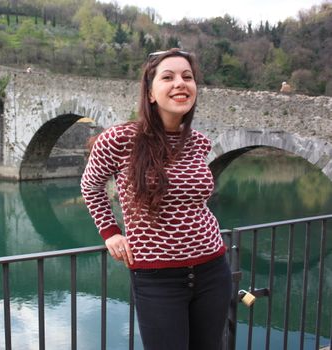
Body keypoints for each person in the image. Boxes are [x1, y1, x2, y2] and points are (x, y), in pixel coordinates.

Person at [80, 48, 231, 350]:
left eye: (187, 77)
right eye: (168, 77)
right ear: (150, 93)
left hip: (212, 268)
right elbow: (91, 187)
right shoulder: (119, 140)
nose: (180, 83)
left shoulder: (199, 143)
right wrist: (110, 233)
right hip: (157, 276)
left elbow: (195, 202)